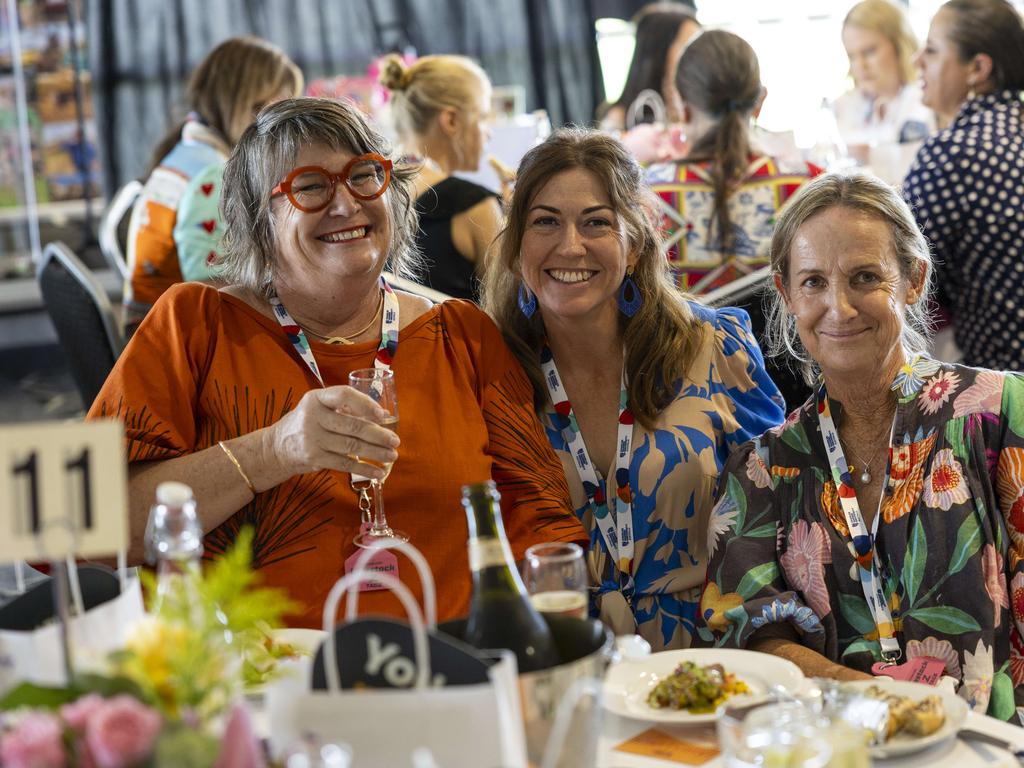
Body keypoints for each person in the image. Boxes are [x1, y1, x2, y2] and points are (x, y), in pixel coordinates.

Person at [89, 98, 584, 626]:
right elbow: (91, 530)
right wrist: (273, 450)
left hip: (449, 667)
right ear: (259, 219)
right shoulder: (195, 327)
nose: (346, 203)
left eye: (364, 175)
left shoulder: (461, 334)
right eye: (310, 186)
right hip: (260, 681)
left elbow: (542, 521)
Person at [702, 171, 1024, 721]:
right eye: (813, 283)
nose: (840, 307)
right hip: (836, 744)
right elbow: (749, 633)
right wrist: (883, 703)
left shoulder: (996, 414)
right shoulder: (762, 467)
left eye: (865, 277)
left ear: (914, 280)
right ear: (784, 293)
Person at [481, 128, 784, 650]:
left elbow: (779, 509)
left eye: (596, 222)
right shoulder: (489, 373)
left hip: (707, 663)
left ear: (636, 243)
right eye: (545, 222)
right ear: (515, 249)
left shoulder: (714, 349)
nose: (570, 245)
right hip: (561, 658)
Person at [123, 37, 303, 329]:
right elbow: (208, 288)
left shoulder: (187, 155)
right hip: (170, 337)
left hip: (152, 326)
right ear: (247, 108)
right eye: (275, 116)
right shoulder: (212, 175)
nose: (280, 132)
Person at [646, 30, 822, 295]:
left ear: (683, 108)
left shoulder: (646, 196)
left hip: (684, 337)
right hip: (787, 337)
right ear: (759, 101)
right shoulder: (810, 187)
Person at [902, 0, 1024, 371]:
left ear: (978, 68)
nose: (917, 60)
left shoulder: (953, 152)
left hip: (1005, 390)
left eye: (933, 50)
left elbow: (906, 270)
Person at [379, 54, 501, 301]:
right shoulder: (475, 207)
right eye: (482, 118)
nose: (488, 133)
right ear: (451, 120)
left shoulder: (370, 191)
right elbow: (511, 313)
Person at [832, 0, 934, 154]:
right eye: (852, 56)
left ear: (899, 46)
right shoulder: (847, 106)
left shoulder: (926, 102)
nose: (860, 65)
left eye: (869, 52)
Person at [599, 3, 700, 132]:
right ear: (658, 51)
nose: (698, 54)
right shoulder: (618, 120)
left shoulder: (699, 107)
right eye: (687, 46)